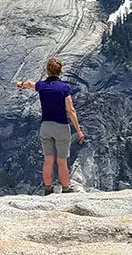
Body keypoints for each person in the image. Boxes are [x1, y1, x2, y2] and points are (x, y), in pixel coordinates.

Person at [16, 58, 86, 195]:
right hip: (61, 126)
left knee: (48, 159)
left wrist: (21, 84)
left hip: (45, 126)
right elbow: (70, 110)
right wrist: (78, 130)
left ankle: (48, 189)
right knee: (62, 161)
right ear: (60, 72)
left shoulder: (42, 86)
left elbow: (30, 83)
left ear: (47, 71)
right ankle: (65, 188)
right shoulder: (64, 88)